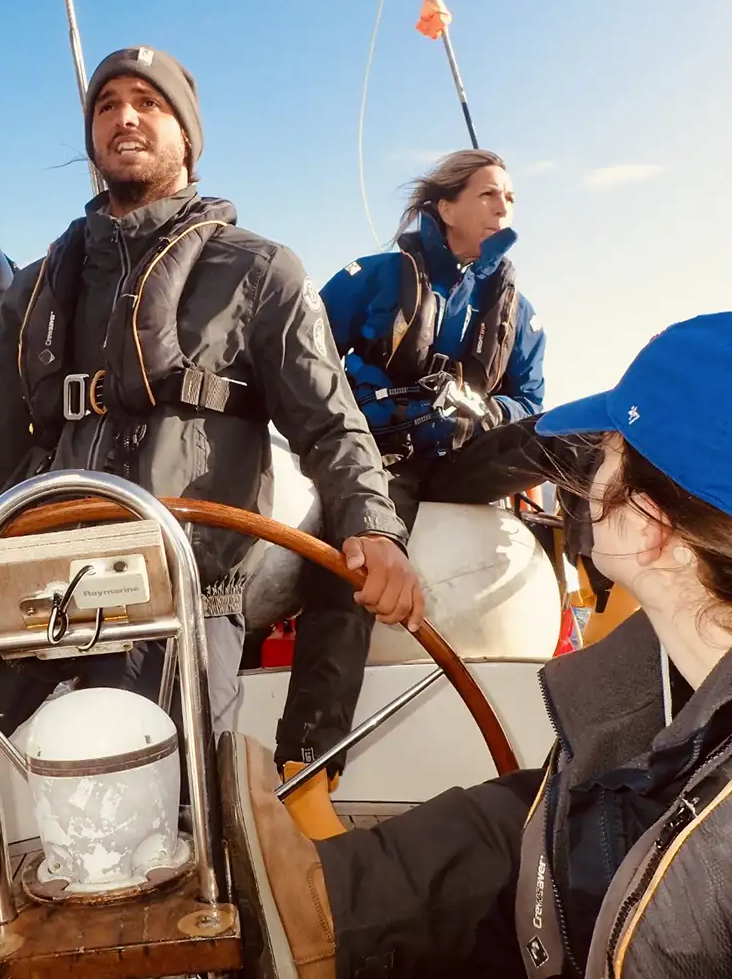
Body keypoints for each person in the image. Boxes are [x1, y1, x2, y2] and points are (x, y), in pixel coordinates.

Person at [0, 46, 421, 959]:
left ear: (188, 134)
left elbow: (334, 429)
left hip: (192, 593)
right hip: (40, 584)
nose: (126, 118)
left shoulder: (262, 272)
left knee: (183, 806)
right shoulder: (35, 289)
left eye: (149, 103)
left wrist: (372, 526)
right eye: (108, 105)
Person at [225, 310, 732, 978]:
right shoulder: (662, 691)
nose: (583, 480)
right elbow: (548, 823)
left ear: (650, 528)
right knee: (534, 815)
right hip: (556, 905)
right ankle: (327, 899)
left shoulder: (708, 869)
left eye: (606, 450)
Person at [274, 149, 546, 838]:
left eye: (510, 197)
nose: (503, 207)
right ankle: (304, 774)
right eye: (488, 193)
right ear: (445, 205)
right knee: (355, 564)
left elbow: (530, 399)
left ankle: (611, 628)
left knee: (583, 442)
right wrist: (377, 410)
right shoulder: (371, 279)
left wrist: (484, 411)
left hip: (465, 456)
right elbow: (305, 367)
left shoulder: (521, 310)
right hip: (381, 456)